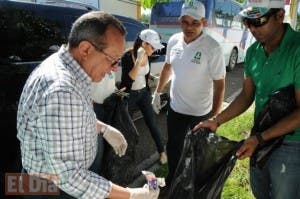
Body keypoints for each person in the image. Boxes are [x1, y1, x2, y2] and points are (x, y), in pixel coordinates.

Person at [17, 11, 159, 199]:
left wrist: (102, 128)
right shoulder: (62, 90)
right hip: (54, 189)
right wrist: (131, 194)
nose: (115, 67)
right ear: (85, 49)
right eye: (113, 59)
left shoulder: (69, 69)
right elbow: (68, 178)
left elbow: (72, 116)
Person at [194, 0, 300, 198]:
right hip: (260, 136)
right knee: (260, 191)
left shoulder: (297, 48)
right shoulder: (253, 52)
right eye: (246, 21)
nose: (251, 28)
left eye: (258, 21)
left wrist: (259, 138)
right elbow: (246, 96)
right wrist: (216, 120)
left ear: (279, 15)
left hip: (292, 143)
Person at [152, 0, 226, 188]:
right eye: (185, 22)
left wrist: (215, 117)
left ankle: (196, 185)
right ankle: (173, 181)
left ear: (204, 22)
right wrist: (158, 92)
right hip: (176, 108)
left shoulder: (212, 47)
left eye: (195, 22)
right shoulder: (174, 40)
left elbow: (220, 85)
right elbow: (168, 68)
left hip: (201, 112)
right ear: (180, 21)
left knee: (199, 152)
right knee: (174, 148)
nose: (189, 27)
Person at [119, 29, 167, 164]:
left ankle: (162, 152)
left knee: (152, 123)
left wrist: (152, 77)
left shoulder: (149, 54)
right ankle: (121, 157)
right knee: (126, 127)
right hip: (130, 96)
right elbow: (128, 80)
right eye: (152, 46)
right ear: (144, 44)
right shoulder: (128, 56)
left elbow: (144, 74)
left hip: (144, 94)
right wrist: (139, 60)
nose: (155, 50)